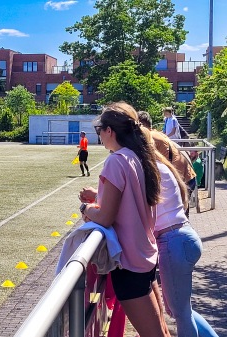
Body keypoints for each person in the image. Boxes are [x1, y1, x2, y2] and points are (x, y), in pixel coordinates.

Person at [80, 102, 169, 337]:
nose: (98, 134)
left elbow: (106, 217)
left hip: (130, 265)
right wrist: (97, 200)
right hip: (145, 258)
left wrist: (86, 208)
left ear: (110, 131)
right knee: (161, 332)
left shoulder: (116, 160)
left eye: (99, 129)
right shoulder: (138, 157)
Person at [154, 151, 219, 337]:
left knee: (181, 313)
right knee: (182, 310)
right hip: (184, 237)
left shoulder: (151, 172)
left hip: (173, 242)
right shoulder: (163, 167)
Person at [139, 111, 196, 216]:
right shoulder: (156, 133)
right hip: (186, 177)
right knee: (181, 218)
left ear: (141, 125)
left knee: (177, 218)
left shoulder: (151, 137)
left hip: (181, 179)